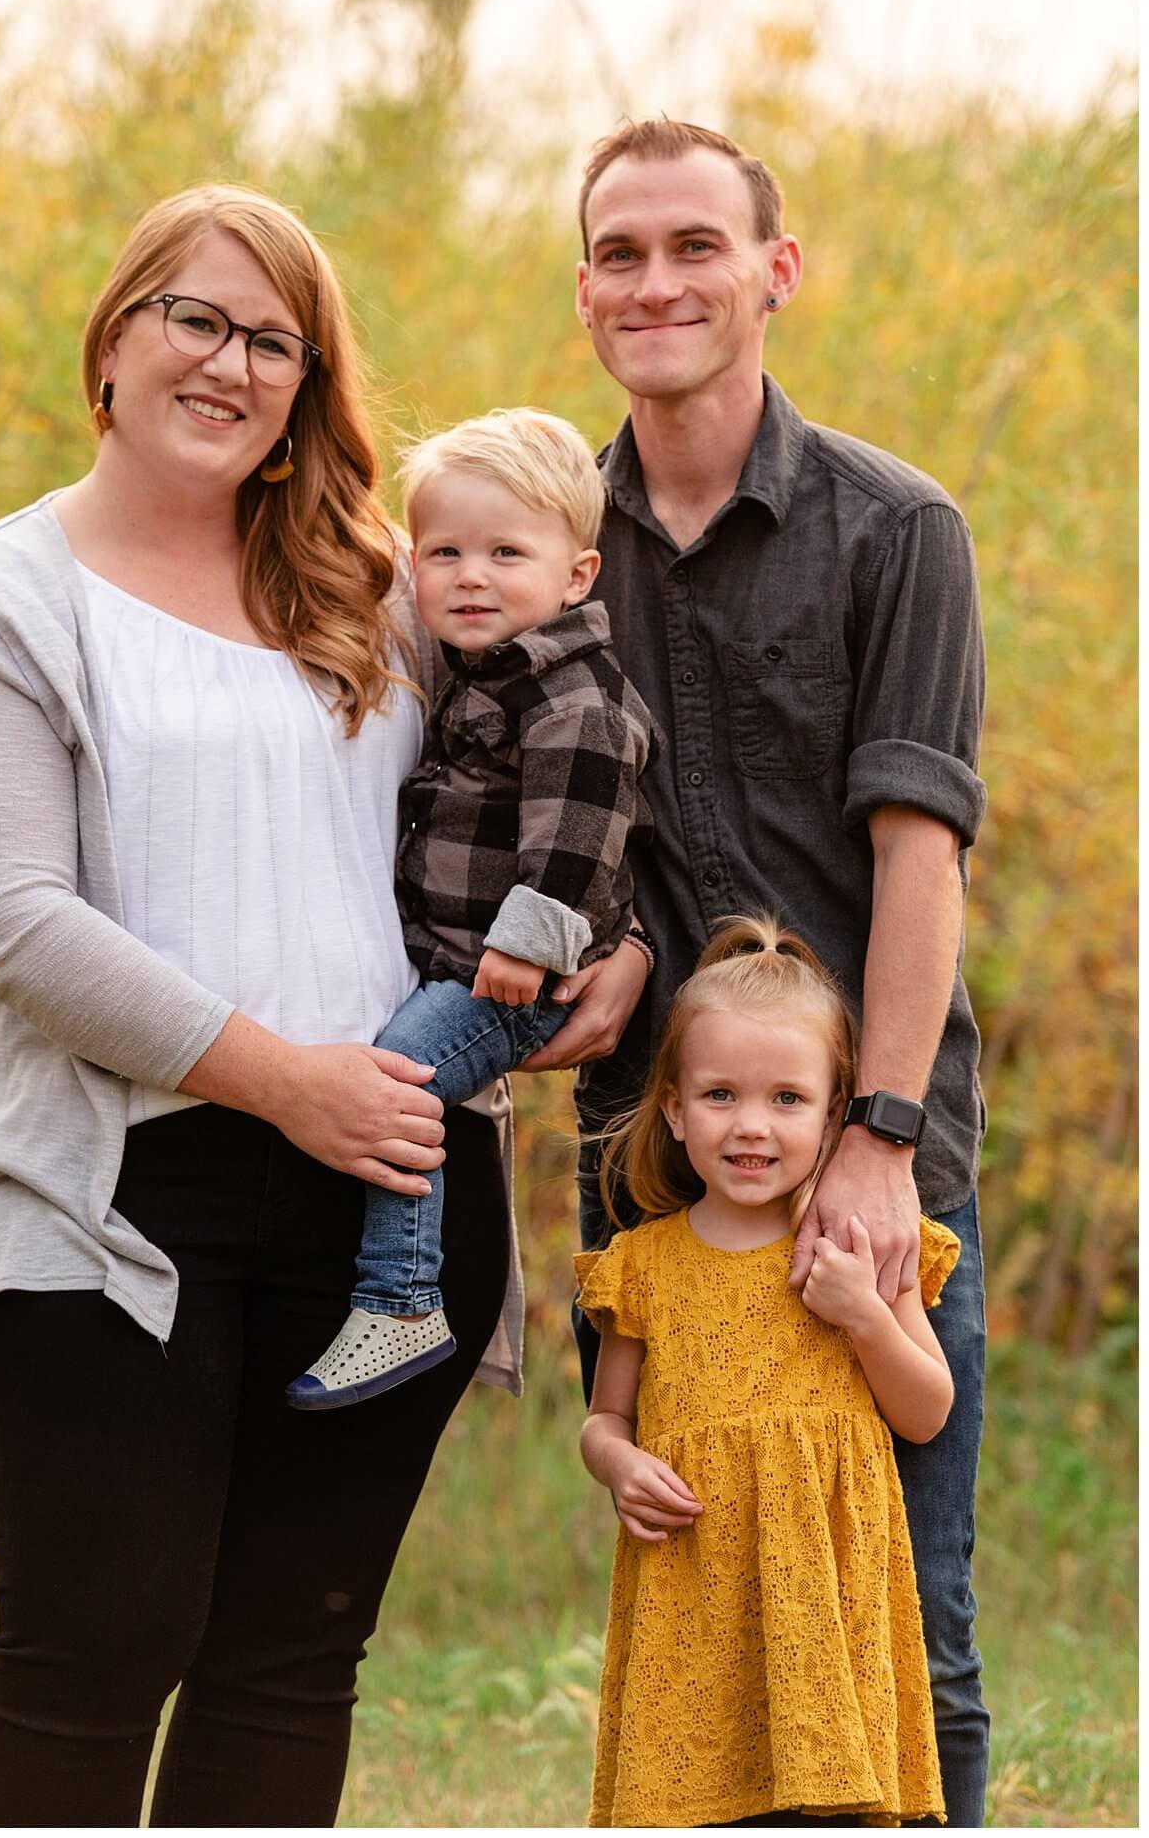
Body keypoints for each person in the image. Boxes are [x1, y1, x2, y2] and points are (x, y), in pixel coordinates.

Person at [0, 184, 525, 1827]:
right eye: (195, 317)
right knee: (101, 1634)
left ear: (310, 388)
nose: (229, 362)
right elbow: (12, 918)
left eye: (274, 340)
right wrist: (276, 1076)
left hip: (392, 1183)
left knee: (289, 1650)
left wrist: (603, 967)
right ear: (113, 342)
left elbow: (555, 789)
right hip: (107, 1191)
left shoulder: (388, 594)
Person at [519, 116, 990, 1824]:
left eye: (695, 244)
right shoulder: (553, 551)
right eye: (622, 253)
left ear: (772, 272)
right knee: (695, 1584)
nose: (658, 280)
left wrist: (879, 1131)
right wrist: (609, 953)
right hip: (650, 1145)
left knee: (904, 1609)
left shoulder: (896, 528)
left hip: (862, 1127)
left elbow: (916, 856)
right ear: (586, 292)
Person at [288, 409, 652, 1409]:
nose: (470, 576)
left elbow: (577, 843)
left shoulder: (571, 697)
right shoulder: (481, 670)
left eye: (504, 552)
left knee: (400, 1085)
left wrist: (523, 952)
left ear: (574, 575)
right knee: (401, 1081)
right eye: (443, 552)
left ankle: (401, 1298)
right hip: (460, 958)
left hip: (510, 976)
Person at [577, 913, 956, 1828]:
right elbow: (604, 1420)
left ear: (835, 1110)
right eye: (720, 1095)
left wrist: (865, 1313)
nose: (751, 1125)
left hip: (825, 1606)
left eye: (788, 1098)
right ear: (672, 1106)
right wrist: (620, 1465)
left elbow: (928, 1411)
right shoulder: (644, 1263)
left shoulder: (856, 1244)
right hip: (696, 1598)